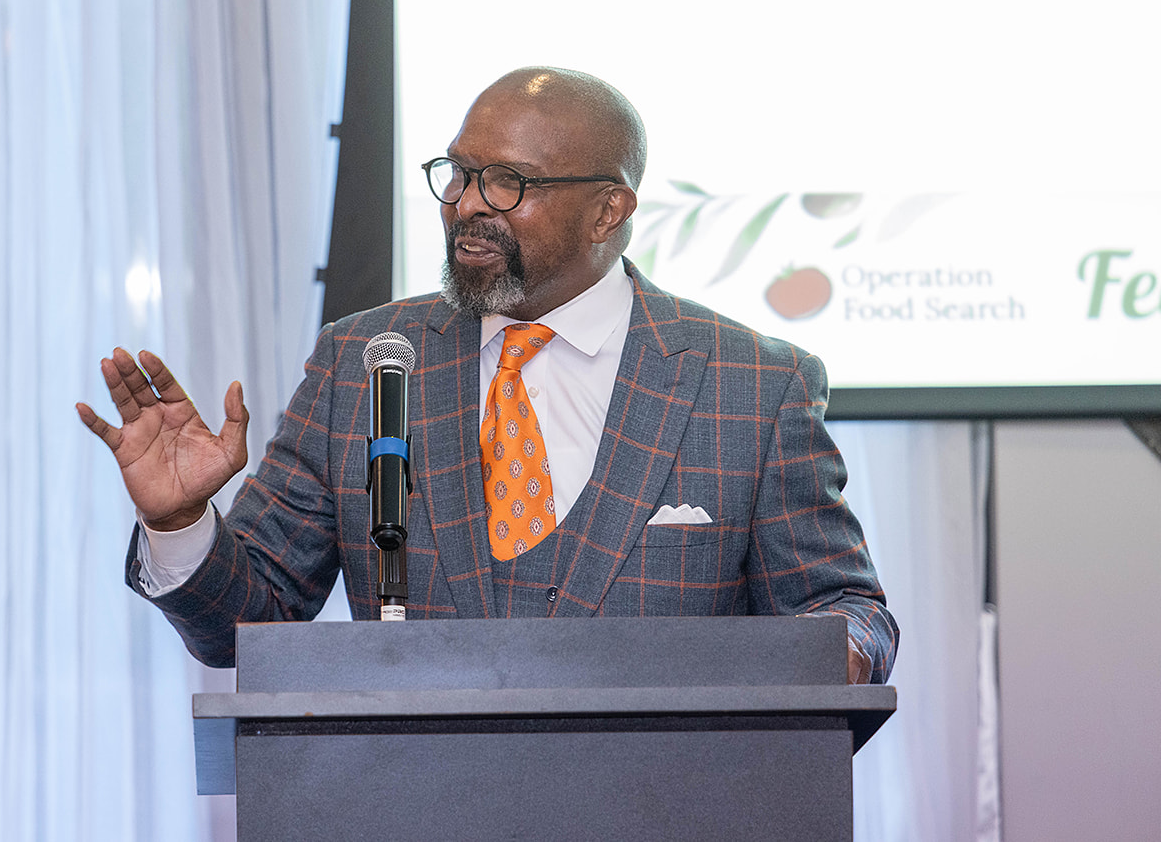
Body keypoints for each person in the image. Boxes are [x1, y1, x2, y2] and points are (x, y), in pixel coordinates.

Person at [78, 67, 897, 682]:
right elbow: (246, 625)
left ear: (608, 211)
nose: (468, 203)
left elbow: (846, 608)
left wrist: (838, 657)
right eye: (459, 173)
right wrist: (180, 520)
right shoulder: (363, 363)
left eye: (508, 182)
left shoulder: (752, 384)